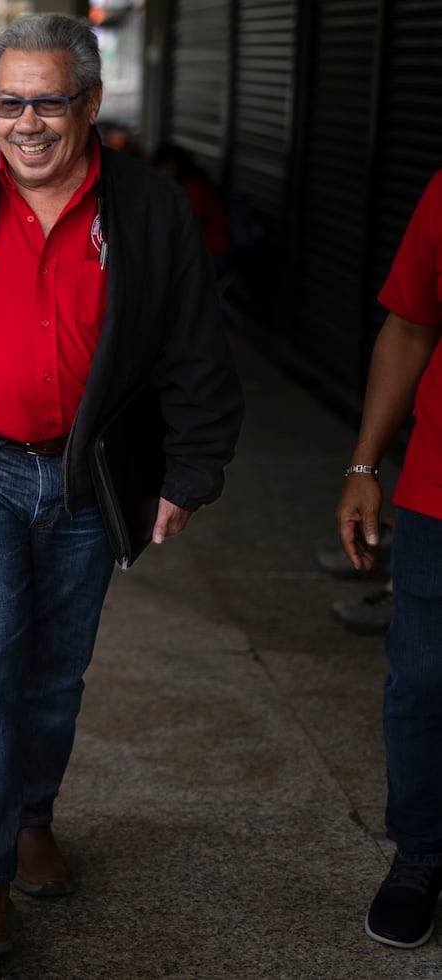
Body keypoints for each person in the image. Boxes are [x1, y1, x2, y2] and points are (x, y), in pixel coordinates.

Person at [0, 14, 244, 956]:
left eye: (48, 101)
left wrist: (188, 470)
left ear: (91, 104)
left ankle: (32, 819)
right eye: (8, 102)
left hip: (87, 473)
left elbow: (195, 349)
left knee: (56, 673)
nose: (26, 122)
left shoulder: (148, 210)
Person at [336, 168, 442, 949]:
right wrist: (366, 465)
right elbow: (410, 326)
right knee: (423, 684)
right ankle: (421, 856)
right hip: (439, 492)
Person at [152, 142, 233, 279]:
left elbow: (189, 228)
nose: (161, 173)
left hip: (215, 253)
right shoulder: (188, 185)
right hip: (206, 251)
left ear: (172, 166)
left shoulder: (193, 188)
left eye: (164, 168)